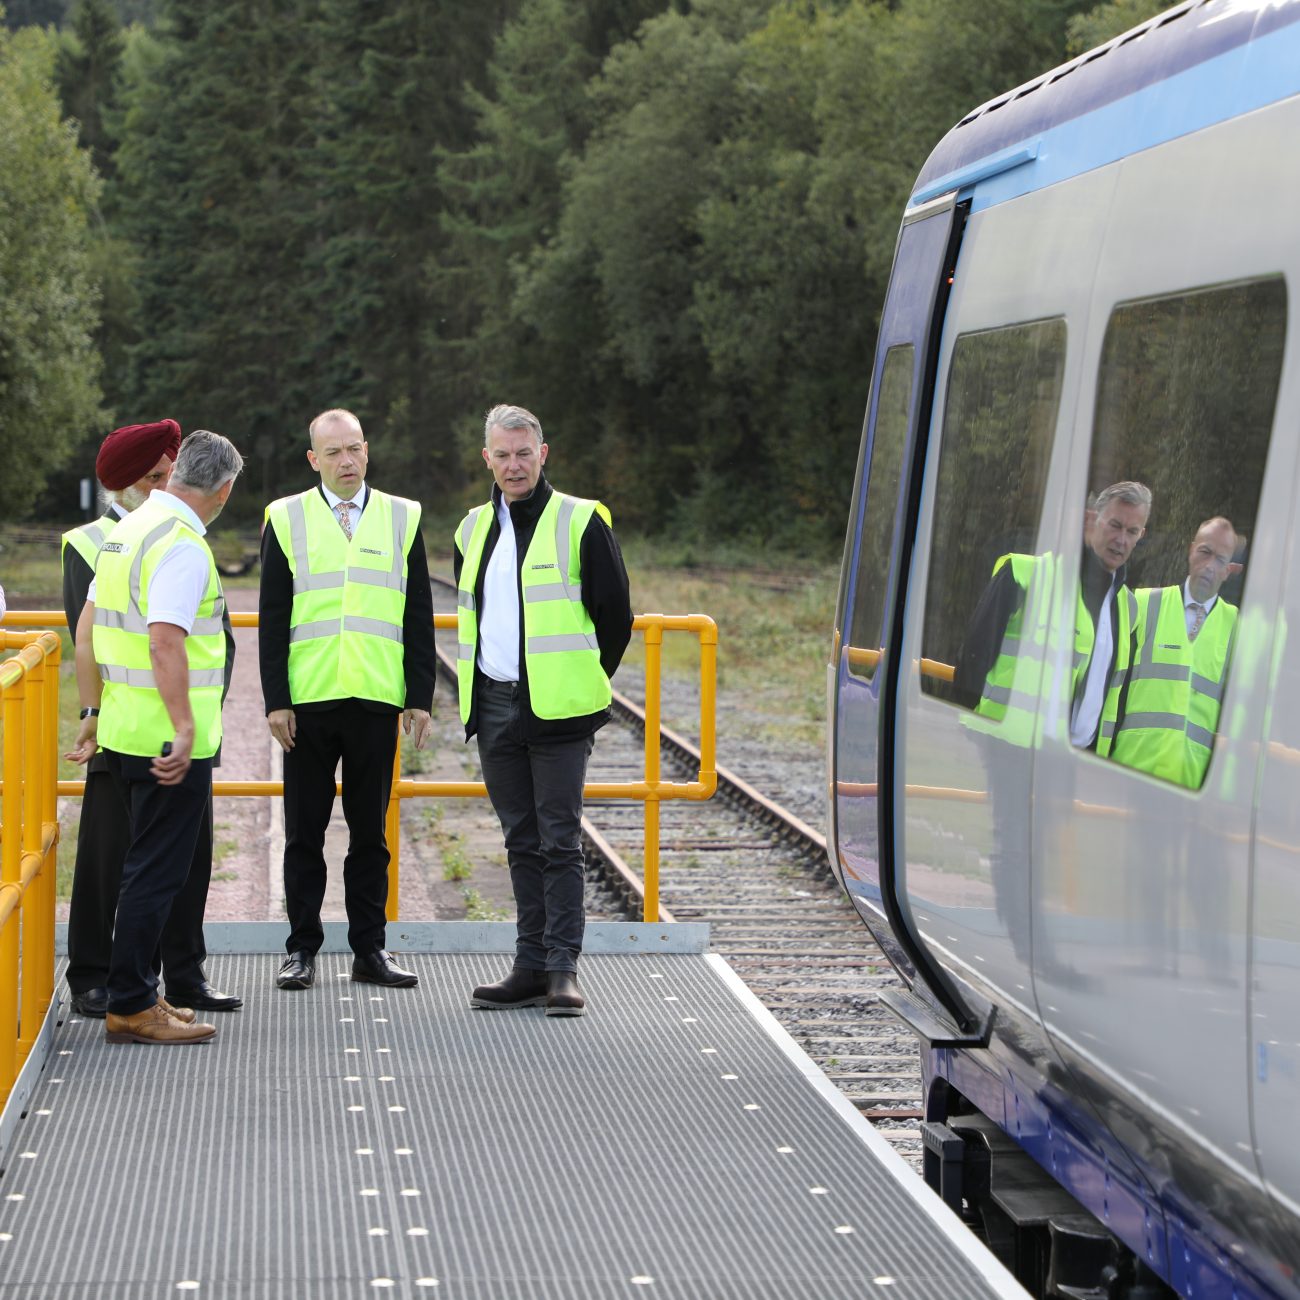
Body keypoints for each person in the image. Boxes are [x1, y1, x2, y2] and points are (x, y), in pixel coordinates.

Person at [66, 430, 245, 1045]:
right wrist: (185, 725)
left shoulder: (127, 532)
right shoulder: (181, 544)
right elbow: (165, 641)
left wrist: (93, 710)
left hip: (123, 729)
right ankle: (133, 1005)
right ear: (223, 490)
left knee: (142, 866)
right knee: (156, 873)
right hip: (164, 741)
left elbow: (86, 630)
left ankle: (140, 991)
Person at [457, 405, 632, 1017]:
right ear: (488, 459)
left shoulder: (581, 521)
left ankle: (562, 970)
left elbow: (615, 618)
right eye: (503, 455)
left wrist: (579, 680)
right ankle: (529, 966)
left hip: (558, 710)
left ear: (543, 454)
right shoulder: (472, 528)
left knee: (559, 841)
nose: (514, 465)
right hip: (493, 703)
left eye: (524, 453)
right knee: (520, 841)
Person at [259, 408, 435, 992]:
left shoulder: (402, 517)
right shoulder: (286, 518)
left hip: (375, 700)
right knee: (303, 835)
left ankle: (370, 950)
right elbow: (273, 616)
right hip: (307, 704)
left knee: (370, 839)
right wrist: (276, 699)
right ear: (314, 460)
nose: (347, 461)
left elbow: (417, 613)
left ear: (367, 450)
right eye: (333, 452)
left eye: (354, 448)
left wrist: (419, 695)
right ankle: (301, 950)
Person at [955, 481, 1151, 753]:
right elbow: (973, 657)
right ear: (1091, 520)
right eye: (1115, 525)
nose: (1121, 539)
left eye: (1132, 531)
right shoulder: (1024, 574)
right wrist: (973, 733)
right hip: (1004, 745)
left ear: (1141, 534)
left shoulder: (1128, 607)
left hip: (1074, 758)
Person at [1110, 517, 1241, 788]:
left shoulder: (1238, 629)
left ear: (1229, 570)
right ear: (1191, 550)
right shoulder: (1143, 603)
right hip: (1129, 772)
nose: (1209, 565)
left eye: (1220, 560)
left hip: (1192, 787)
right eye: (1205, 552)